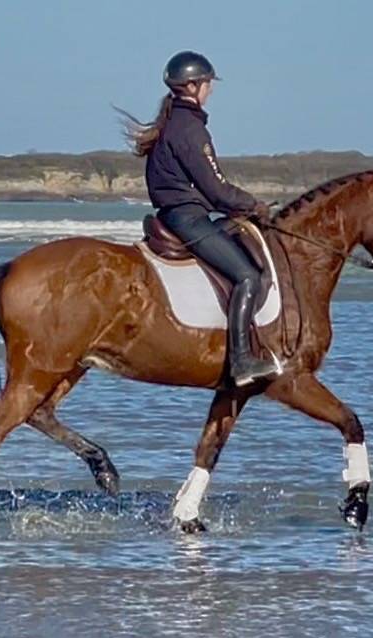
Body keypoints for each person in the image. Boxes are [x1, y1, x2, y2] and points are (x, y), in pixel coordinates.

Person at [124, 51, 280, 387]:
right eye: (208, 84)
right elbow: (217, 190)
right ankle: (241, 360)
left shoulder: (172, 123)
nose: (210, 90)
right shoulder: (190, 130)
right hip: (188, 219)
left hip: (179, 214)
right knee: (248, 277)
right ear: (193, 86)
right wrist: (254, 205)